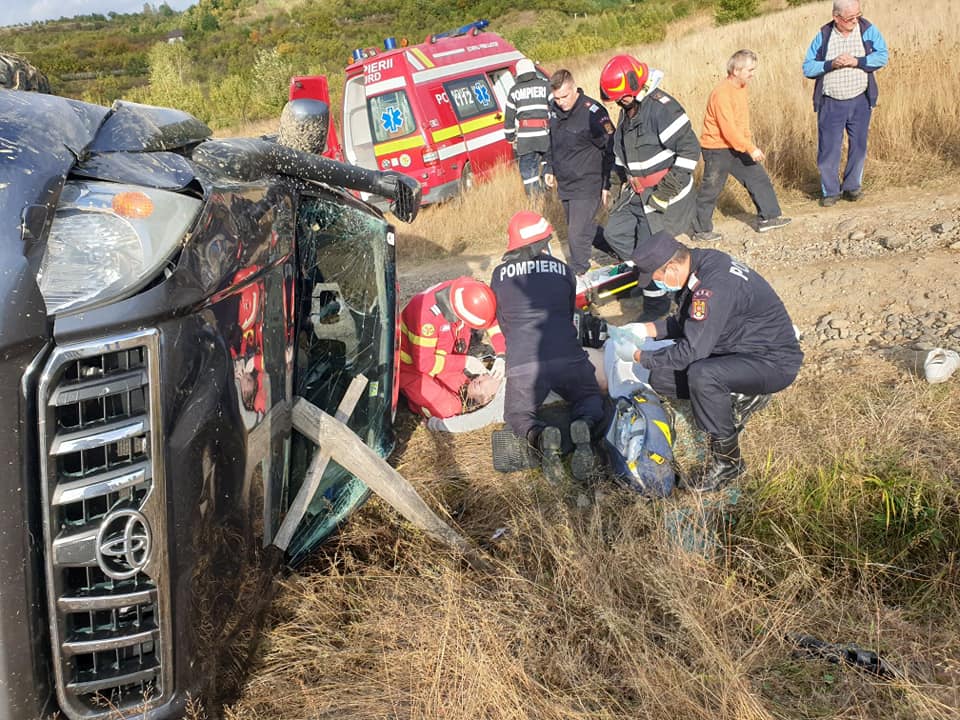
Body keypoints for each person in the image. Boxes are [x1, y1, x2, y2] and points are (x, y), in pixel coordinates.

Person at [611, 230, 803, 492]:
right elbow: (686, 323)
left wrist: (638, 356)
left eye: (657, 279)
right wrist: (644, 330)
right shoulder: (700, 263)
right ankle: (736, 395)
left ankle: (728, 462)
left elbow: (691, 352)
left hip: (773, 361)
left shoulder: (712, 287)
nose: (658, 285)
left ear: (672, 267)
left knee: (703, 374)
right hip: (739, 350)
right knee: (661, 378)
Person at [490, 211, 606, 482]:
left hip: (523, 364)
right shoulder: (564, 270)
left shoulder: (499, 275)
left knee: (518, 415)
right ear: (542, 243)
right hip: (569, 358)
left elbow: (504, 323)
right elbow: (569, 316)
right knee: (589, 398)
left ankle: (540, 437)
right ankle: (584, 424)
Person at [598, 54, 700, 322]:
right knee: (613, 232)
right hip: (636, 192)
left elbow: (690, 151)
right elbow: (622, 157)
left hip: (663, 194)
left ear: (636, 85)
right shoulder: (627, 111)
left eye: (623, 97)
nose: (619, 102)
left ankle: (658, 305)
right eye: (617, 99)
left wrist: (664, 193)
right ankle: (647, 277)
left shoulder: (662, 109)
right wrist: (613, 185)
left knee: (648, 247)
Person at [693, 50, 791, 242]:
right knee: (711, 188)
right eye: (750, 69)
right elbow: (728, 128)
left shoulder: (741, 87)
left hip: (737, 145)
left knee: (758, 177)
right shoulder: (721, 93)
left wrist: (747, 142)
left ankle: (768, 217)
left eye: (753, 69)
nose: (752, 73)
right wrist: (750, 148)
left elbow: (741, 122)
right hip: (717, 148)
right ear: (736, 70)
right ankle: (701, 230)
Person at [802, 0, 888, 206]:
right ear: (836, 17)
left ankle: (852, 188)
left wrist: (857, 61)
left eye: (858, 14)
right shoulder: (823, 36)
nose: (855, 20)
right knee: (829, 149)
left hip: (860, 100)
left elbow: (882, 56)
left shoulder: (867, 30)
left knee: (858, 146)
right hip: (831, 103)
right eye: (850, 18)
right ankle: (830, 192)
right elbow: (808, 68)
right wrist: (831, 64)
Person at [541, 68, 616, 277]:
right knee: (586, 231)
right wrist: (549, 167)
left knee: (575, 235)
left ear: (574, 89)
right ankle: (622, 250)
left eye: (564, 96)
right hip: (566, 184)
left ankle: (579, 273)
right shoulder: (554, 111)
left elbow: (611, 148)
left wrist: (607, 184)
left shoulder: (593, 113)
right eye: (557, 98)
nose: (561, 102)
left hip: (589, 183)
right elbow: (552, 142)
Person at [398, 276, 506, 420]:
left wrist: (501, 355)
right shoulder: (426, 318)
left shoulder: (469, 291)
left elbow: (490, 320)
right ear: (460, 314)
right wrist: (465, 362)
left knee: (468, 394)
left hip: (442, 360)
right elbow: (424, 364)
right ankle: (411, 400)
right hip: (411, 367)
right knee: (450, 409)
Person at [503, 58, 552, 196]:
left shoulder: (514, 91)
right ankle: (548, 192)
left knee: (528, 170)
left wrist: (510, 136)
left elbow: (509, 118)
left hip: (525, 139)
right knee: (548, 163)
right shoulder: (545, 86)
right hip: (544, 135)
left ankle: (534, 199)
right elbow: (555, 107)